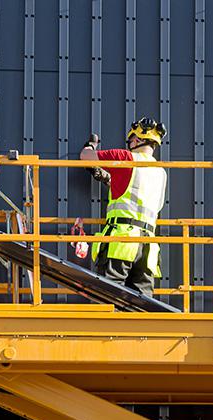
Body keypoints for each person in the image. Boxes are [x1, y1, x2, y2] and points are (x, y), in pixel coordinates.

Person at [79, 118, 168, 297]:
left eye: (130, 141)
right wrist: (108, 179)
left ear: (136, 140)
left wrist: (90, 146)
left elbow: (85, 157)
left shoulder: (126, 158)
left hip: (121, 242)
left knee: (110, 298)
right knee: (142, 304)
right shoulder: (160, 172)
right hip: (147, 247)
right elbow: (134, 192)